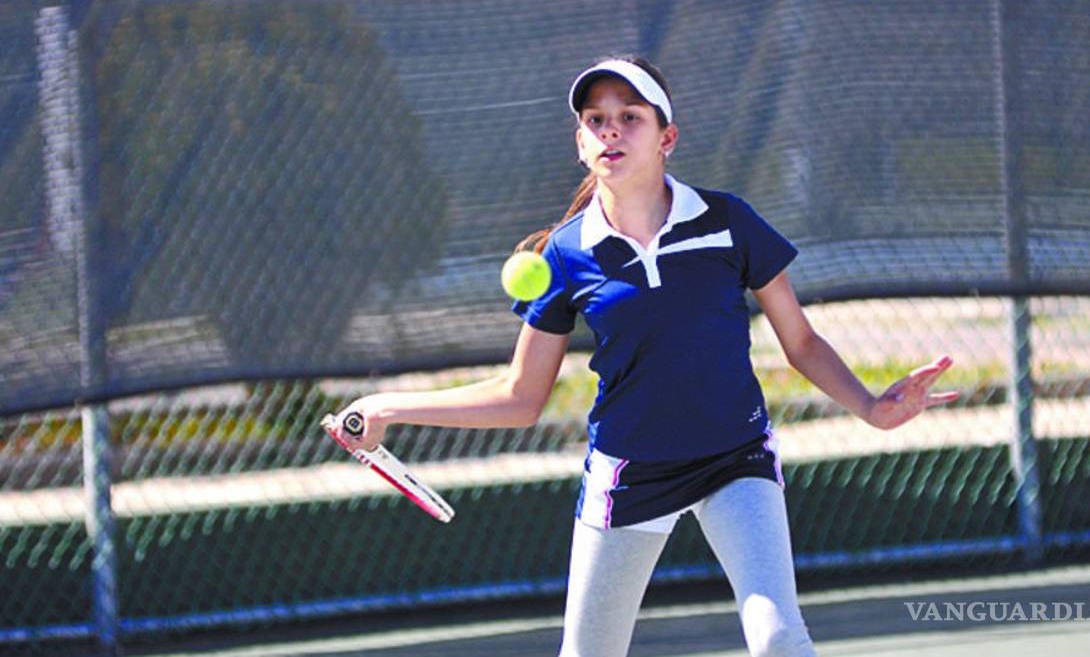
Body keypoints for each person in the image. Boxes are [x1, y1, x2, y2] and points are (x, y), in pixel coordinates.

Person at [326, 55, 959, 657]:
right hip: (629, 473)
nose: (611, 131)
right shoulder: (566, 257)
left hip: (734, 459)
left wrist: (872, 407)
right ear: (580, 143)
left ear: (667, 137)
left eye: (630, 116)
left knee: (778, 639)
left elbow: (800, 342)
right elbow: (521, 397)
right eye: (596, 120)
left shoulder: (726, 222)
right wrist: (389, 406)